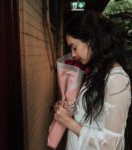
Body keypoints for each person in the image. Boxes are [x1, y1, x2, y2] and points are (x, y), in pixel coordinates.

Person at [54, 10, 131, 150]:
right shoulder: (97, 71)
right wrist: (69, 110)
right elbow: (92, 116)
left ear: (92, 40)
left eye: (74, 47)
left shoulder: (117, 80)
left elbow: (111, 144)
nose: (73, 55)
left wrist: (69, 122)